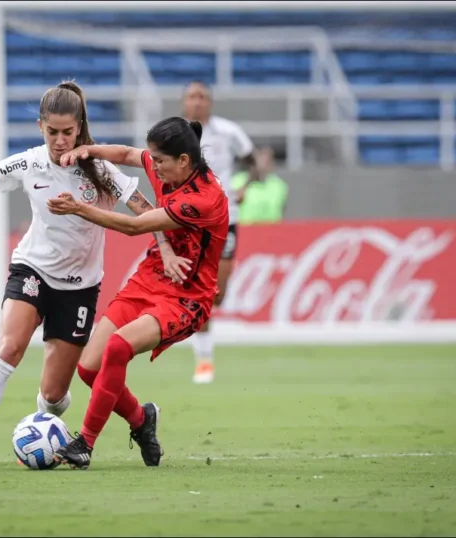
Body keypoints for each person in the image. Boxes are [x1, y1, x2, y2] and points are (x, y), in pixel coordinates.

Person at [0, 81, 191, 471]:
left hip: (80, 288)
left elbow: (146, 210)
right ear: (40, 127)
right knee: (8, 349)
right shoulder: (28, 163)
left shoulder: (101, 170)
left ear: (79, 127)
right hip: (32, 269)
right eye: (52, 132)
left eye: (67, 132)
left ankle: (49, 428)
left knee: (53, 395)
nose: (60, 140)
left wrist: (166, 249)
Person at [45, 116, 230, 469]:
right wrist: (88, 149)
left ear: (183, 161)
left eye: (159, 161)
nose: (153, 167)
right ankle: (141, 420)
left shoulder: (203, 200)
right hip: (149, 279)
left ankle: (84, 443)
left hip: (186, 298)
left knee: (117, 347)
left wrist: (79, 208)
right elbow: (129, 154)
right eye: (153, 159)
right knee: (89, 369)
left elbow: (133, 226)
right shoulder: (170, 168)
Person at [181, 80, 255, 384]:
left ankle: (202, 347)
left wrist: (244, 186)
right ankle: (204, 360)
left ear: (210, 102)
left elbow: (253, 161)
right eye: (192, 97)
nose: (197, 101)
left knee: (218, 293)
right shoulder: (176, 134)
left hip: (225, 217)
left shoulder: (229, 131)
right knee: (201, 290)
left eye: (202, 97)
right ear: (184, 102)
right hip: (190, 219)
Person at [232, 146, 289, 225]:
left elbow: (279, 211)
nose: (261, 167)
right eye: (258, 162)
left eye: (266, 162)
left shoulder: (279, 186)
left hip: (271, 229)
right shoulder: (237, 181)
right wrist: (249, 181)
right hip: (245, 229)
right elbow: (234, 202)